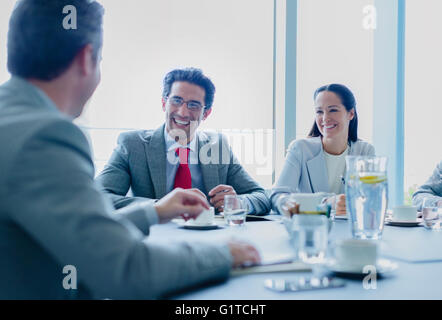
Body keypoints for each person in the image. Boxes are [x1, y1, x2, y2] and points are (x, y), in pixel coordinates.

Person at [0, 0, 260, 299]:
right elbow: (127, 270)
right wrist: (224, 255)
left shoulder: (12, 117)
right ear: (87, 59)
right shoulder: (46, 136)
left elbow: (83, 234)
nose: (184, 112)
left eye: (194, 105)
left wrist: (154, 212)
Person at [95, 68, 270, 214]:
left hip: (209, 239)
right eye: (176, 100)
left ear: (206, 113)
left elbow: (261, 197)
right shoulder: (133, 145)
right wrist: (160, 207)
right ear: (164, 103)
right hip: (155, 240)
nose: (183, 112)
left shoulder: (217, 146)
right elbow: (99, 196)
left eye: (193, 105)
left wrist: (237, 203)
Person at [271, 84, 375, 215]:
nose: (325, 118)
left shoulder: (365, 151)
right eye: (319, 112)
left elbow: (371, 200)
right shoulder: (300, 149)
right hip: (311, 230)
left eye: (333, 110)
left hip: (350, 231)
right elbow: (276, 197)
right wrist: (326, 202)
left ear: (351, 113)